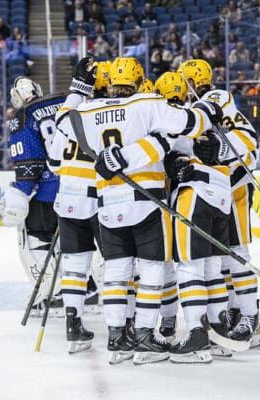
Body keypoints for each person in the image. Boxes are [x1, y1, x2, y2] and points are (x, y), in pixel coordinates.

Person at [57, 56, 220, 365]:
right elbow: (189, 124)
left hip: (108, 202)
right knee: (152, 271)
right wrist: (208, 111)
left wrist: (78, 88)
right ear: (139, 80)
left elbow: (63, 120)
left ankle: (117, 338)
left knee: (116, 273)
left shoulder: (88, 111)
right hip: (147, 201)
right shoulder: (147, 103)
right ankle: (145, 336)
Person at [179, 58, 260, 350]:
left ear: (193, 81)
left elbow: (247, 140)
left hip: (234, 185)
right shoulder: (197, 104)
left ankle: (251, 318)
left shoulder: (215, 98)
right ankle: (234, 313)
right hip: (216, 188)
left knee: (236, 252)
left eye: (185, 82)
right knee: (222, 258)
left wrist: (221, 148)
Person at [49, 58, 111, 354]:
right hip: (101, 199)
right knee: (116, 264)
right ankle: (121, 327)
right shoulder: (113, 116)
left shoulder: (69, 117)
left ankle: (73, 326)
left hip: (68, 199)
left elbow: (53, 163)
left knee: (75, 267)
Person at [0, 77, 63, 317]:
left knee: (35, 240)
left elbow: (28, 165)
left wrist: (19, 194)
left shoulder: (23, 116)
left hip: (47, 194)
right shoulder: (65, 101)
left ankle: (52, 295)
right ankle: (88, 290)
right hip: (79, 188)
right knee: (76, 243)